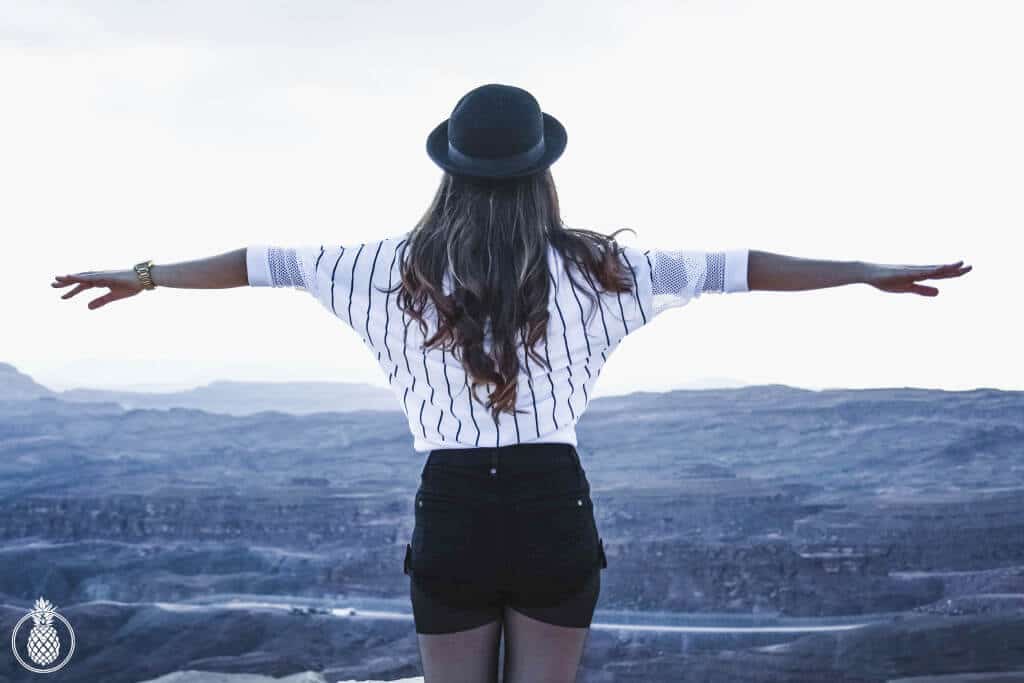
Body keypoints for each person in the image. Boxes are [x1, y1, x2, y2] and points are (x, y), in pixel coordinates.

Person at [51, 83, 972, 683]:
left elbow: (261, 260)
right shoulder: (605, 271)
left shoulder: (380, 268)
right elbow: (744, 267)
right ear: (542, 170)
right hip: (551, 505)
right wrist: (863, 271)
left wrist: (144, 276)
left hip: (451, 505)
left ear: (448, 169)